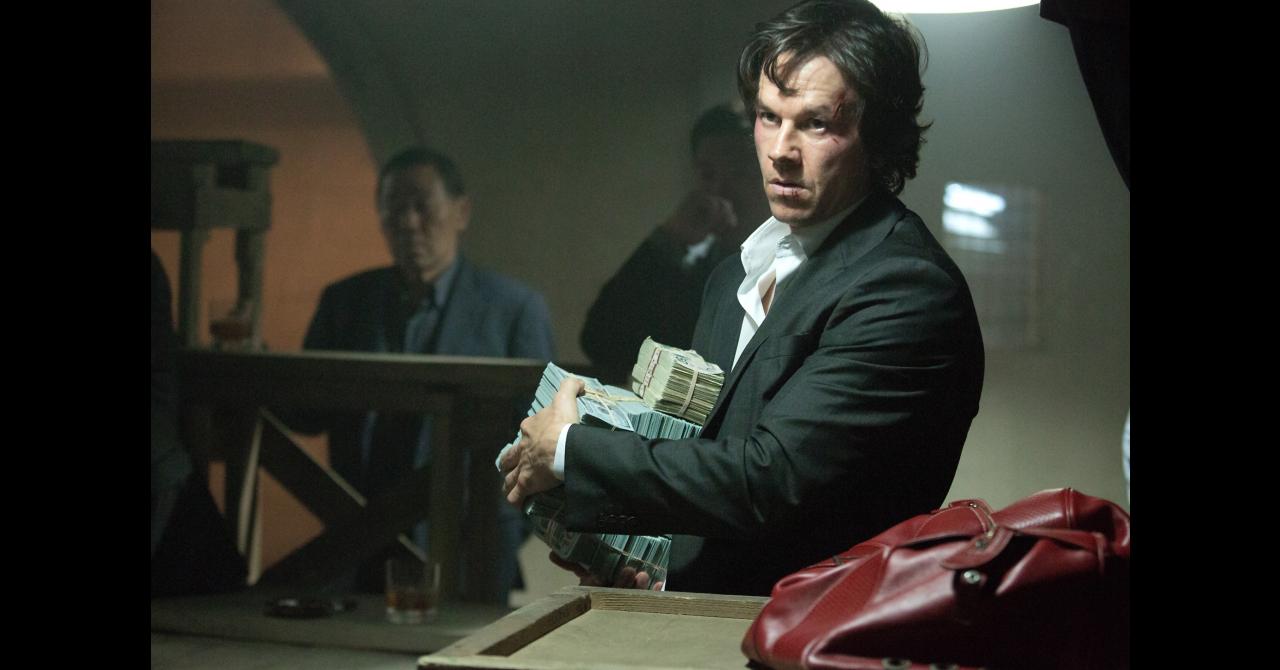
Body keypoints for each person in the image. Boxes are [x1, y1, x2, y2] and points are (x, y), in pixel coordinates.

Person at [501, 0, 984, 596]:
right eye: (767, 116)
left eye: (816, 123)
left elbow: (770, 479)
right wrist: (654, 564)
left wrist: (571, 450)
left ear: (879, 136)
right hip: (720, 620)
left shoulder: (907, 288)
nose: (781, 149)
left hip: (826, 628)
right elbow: (709, 466)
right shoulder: (737, 273)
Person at [292, 147, 555, 602]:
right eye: (394, 209)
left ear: (461, 212)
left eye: (422, 206)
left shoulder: (514, 309)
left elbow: (543, 437)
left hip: (473, 539)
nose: (409, 223)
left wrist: (508, 525)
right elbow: (305, 413)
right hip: (356, 533)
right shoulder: (345, 302)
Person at [580, 105, 770, 384]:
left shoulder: (791, 266)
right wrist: (669, 239)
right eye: (708, 174)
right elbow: (602, 341)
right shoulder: (699, 270)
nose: (720, 190)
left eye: (741, 172)